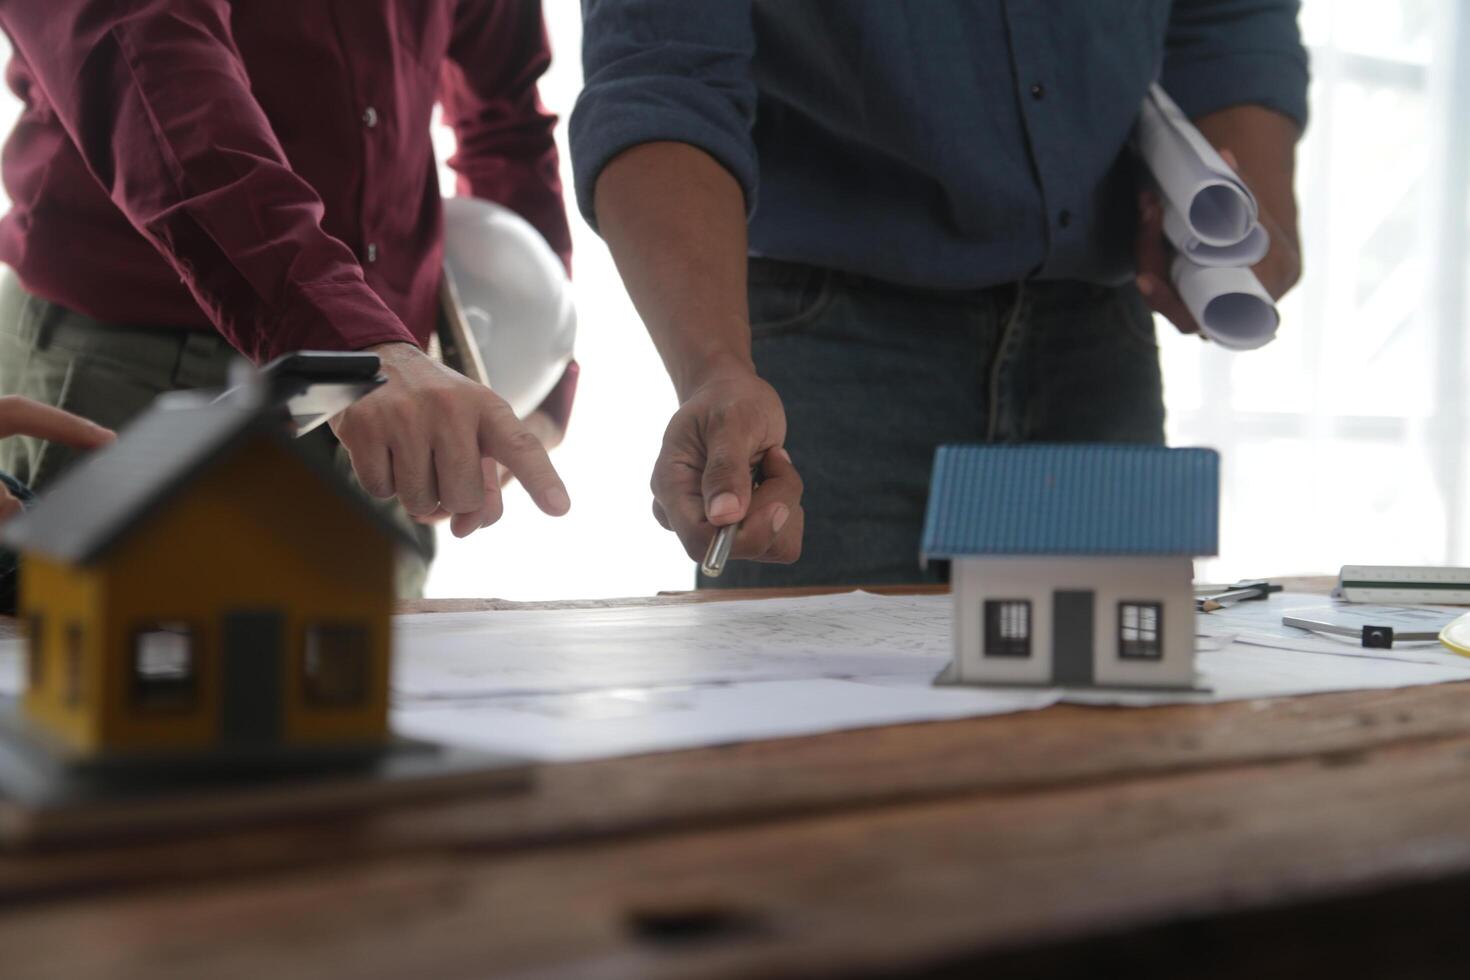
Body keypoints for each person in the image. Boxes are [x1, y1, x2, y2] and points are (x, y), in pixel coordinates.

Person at [571, 1, 1307, 587]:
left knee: (1114, 742)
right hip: (823, 358)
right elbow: (663, 72)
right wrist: (715, 370)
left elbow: (1229, 17)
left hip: (1094, 343)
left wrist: (1253, 215)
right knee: (813, 749)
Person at [0, 0, 578, 596]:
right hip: (134, 368)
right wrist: (345, 340)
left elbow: (507, 117)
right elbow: (144, 60)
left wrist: (539, 374)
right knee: (92, 678)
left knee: (365, 685)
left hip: (386, 391)